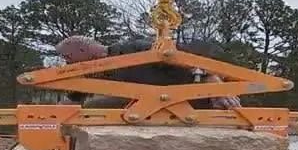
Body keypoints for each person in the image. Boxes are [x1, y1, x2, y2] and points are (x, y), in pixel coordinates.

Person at [55, 36, 242, 110]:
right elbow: (72, 99)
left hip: (190, 102)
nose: (67, 63)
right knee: (91, 108)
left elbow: (196, 63)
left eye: (68, 57)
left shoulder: (137, 49)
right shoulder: (90, 73)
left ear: (82, 52)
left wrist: (218, 89)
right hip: (146, 107)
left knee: (95, 107)